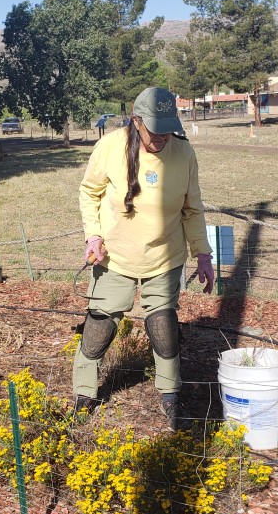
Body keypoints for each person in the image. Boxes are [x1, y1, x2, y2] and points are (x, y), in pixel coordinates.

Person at [73, 87, 215, 432]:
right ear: (136, 121)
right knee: (100, 324)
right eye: (155, 129)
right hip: (115, 256)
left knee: (163, 324)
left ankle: (170, 392)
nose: (162, 136)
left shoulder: (184, 153)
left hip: (164, 257)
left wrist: (204, 253)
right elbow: (88, 192)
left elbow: (192, 209)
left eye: (168, 128)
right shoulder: (109, 147)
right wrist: (93, 234)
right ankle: (84, 392)